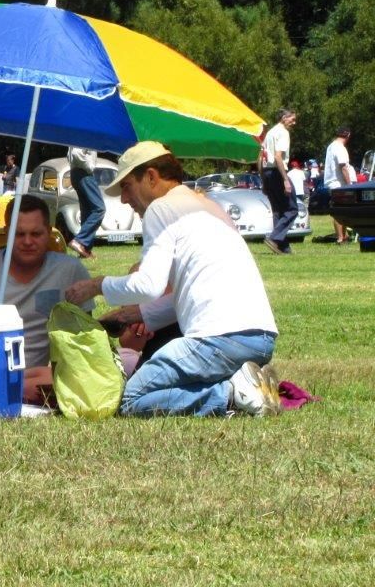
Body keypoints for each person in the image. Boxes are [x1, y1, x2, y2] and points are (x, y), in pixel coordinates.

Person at [65, 141, 281, 417]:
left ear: (152, 177)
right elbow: (191, 295)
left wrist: (96, 285)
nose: (123, 199)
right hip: (259, 339)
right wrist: (132, 315)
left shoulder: (161, 208)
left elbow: (148, 285)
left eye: (127, 186)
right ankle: (245, 386)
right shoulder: (209, 207)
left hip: (216, 340)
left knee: (132, 399)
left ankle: (231, 394)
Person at [0, 195, 92, 395]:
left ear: (49, 233)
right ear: (6, 233)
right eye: (19, 234)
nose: (28, 241)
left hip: (39, 376)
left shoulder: (70, 270)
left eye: (36, 234)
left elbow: (86, 338)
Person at [259, 109, 297, 255]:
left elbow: (260, 157)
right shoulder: (283, 132)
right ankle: (275, 238)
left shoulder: (269, 133)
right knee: (292, 209)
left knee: (278, 210)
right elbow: (278, 156)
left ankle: (282, 246)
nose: (294, 123)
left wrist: (263, 179)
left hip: (267, 172)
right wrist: (286, 180)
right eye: (292, 119)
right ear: (283, 118)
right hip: (277, 172)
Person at [66, 146, 105, 259]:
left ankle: (85, 249)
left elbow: (70, 155)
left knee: (87, 210)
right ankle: (80, 241)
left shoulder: (77, 132)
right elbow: (76, 153)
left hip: (76, 173)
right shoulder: (88, 134)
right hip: (83, 173)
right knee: (99, 208)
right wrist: (89, 167)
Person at [324, 126, 357, 244]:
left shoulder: (331, 146)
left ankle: (344, 236)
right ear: (348, 135)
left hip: (332, 183)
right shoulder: (340, 148)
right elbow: (343, 167)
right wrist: (350, 185)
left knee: (342, 211)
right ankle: (340, 238)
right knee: (339, 212)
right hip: (338, 184)